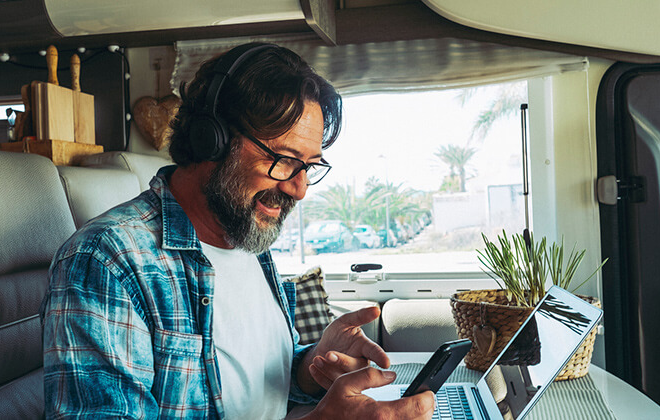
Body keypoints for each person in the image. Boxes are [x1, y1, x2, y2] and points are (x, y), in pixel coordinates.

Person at [42, 43, 434, 419]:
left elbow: (254, 390)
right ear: (212, 139)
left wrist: (309, 365)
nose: (299, 188)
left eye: (309, 166)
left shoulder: (248, 239)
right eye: (283, 160)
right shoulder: (106, 263)